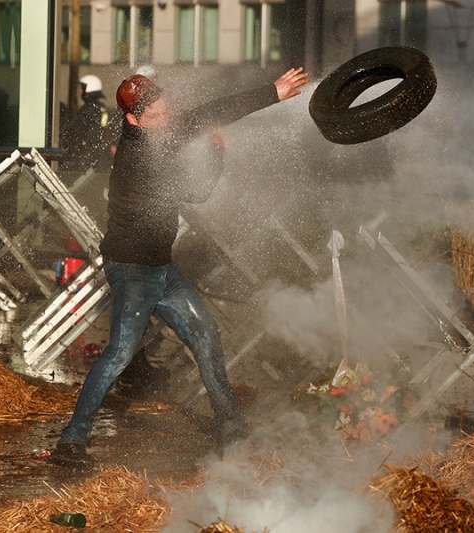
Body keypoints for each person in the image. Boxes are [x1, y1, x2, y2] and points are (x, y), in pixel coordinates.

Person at [49, 67, 309, 470]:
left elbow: (210, 112)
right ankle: (73, 438)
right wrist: (217, 154)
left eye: (167, 110)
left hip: (161, 268)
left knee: (206, 335)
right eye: (158, 114)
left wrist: (272, 93)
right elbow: (197, 192)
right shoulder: (140, 158)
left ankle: (233, 430)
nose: (167, 117)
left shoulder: (159, 133)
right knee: (118, 353)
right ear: (134, 119)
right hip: (133, 269)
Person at [60, 75, 112, 171]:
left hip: (85, 155)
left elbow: (76, 130)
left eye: (82, 89)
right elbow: (104, 128)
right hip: (97, 153)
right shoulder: (102, 108)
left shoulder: (88, 109)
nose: (80, 92)